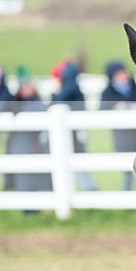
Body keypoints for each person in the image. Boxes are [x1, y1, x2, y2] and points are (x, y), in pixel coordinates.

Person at [99, 60, 136, 190]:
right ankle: (126, 191)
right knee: (127, 168)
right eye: (118, 74)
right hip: (122, 137)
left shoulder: (135, 88)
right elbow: (102, 110)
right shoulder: (108, 93)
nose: (122, 76)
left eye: (123, 72)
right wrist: (116, 107)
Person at [51, 61, 97, 191]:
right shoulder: (75, 86)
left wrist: (54, 93)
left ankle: (88, 186)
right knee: (77, 156)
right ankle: (88, 185)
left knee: (75, 156)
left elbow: (57, 100)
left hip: (73, 131)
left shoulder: (69, 87)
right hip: (76, 130)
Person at [6, 70, 52, 196]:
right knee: (23, 177)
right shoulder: (14, 103)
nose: (27, 89)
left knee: (39, 176)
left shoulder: (38, 102)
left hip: (35, 145)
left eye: (29, 86)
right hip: (20, 145)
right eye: (24, 86)